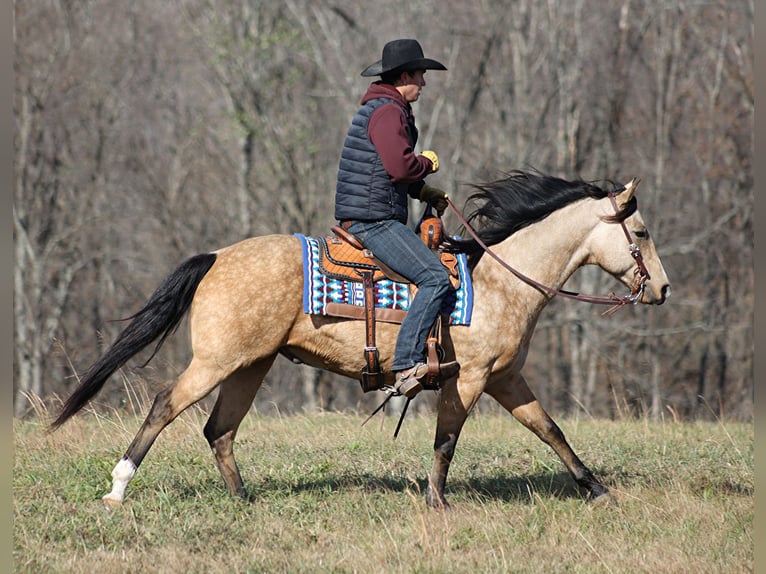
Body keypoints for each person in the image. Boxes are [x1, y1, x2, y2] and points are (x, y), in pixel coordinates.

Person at [334, 38, 459, 398]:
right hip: (373, 221)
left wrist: (422, 191)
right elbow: (400, 165)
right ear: (404, 76)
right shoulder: (388, 112)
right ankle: (406, 365)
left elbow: (385, 173)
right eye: (420, 75)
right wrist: (428, 164)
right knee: (435, 277)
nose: (424, 83)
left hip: (370, 213)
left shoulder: (383, 107)